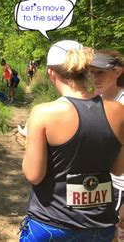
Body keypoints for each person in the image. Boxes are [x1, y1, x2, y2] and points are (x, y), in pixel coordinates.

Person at [20, 40, 124, 241]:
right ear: (85, 70)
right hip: (100, 226)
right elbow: (119, 168)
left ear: (51, 73)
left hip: (51, 224)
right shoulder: (118, 111)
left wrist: (31, 142)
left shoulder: (44, 113)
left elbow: (34, 175)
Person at [89, 50, 124, 241]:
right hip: (104, 185)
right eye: (92, 72)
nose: (94, 77)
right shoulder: (99, 100)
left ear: (117, 72)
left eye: (100, 72)